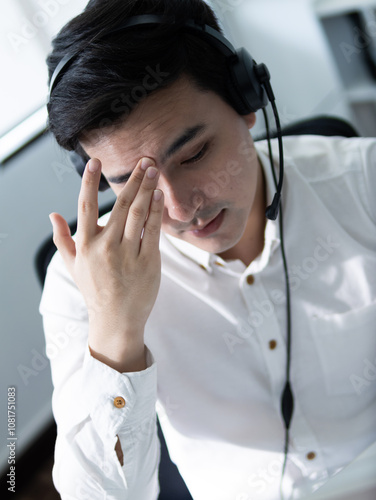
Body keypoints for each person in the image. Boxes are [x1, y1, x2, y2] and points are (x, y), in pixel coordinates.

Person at [40, 0, 376, 499]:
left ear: (248, 100)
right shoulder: (80, 282)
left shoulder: (365, 182)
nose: (179, 207)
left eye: (194, 154)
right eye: (132, 186)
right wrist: (116, 327)